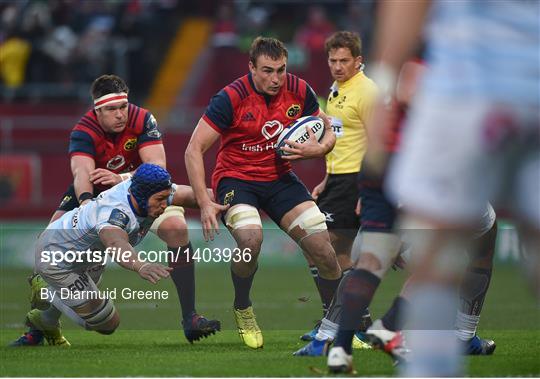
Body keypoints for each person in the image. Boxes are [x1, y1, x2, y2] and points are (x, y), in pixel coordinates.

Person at [335, 1, 539, 376]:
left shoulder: (415, 73)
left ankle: (388, 343)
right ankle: (408, 328)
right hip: (512, 83)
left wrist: (384, 79)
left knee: (439, 255)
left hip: (465, 89)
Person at [296, 59, 497, 362]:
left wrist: (369, 191)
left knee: (369, 262)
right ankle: (406, 329)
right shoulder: (445, 74)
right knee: (447, 257)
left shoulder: (385, 82)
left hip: (384, 176)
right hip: (423, 177)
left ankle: (331, 341)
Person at [13, 75, 219, 346]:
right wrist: (86, 203)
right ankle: (40, 328)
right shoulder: (83, 130)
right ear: (96, 110)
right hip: (99, 194)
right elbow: (82, 172)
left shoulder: (143, 119)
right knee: (54, 236)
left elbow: (158, 167)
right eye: (111, 109)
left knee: (175, 228)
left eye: (123, 107)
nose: (120, 114)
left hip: (145, 189)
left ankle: (190, 317)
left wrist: (220, 202)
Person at [185, 36, 342, 349]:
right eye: (268, 71)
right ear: (251, 68)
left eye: (281, 70)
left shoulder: (299, 89)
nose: (276, 78)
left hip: (280, 178)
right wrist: (204, 202)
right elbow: (193, 149)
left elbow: (328, 127)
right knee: (251, 241)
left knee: (324, 251)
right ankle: (243, 307)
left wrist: (319, 148)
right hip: (236, 180)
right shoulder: (230, 97)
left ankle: (333, 324)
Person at [10, 164, 223, 346]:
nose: (164, 205)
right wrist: (140, 265)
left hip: (88, 255)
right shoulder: (115, 212)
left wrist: (228, 203)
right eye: (159, 200)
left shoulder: (149, 191)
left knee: (92, 311)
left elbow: (194, 195)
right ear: (141, 196)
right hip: (57, 258)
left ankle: (44, 319)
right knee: (107, 324)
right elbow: (116, 243)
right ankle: (46, 291)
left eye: (166, 198)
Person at [301, 31, 378, 343]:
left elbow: (377, 142)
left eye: (344, 60)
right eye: (332, 60)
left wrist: (367, 187)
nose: (337, 66)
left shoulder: (367, 92)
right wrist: (325, 179)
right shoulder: (335, 91)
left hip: (356, 180)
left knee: (325, 247)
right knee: (325, 250)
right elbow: (342, 142)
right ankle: (352, 321)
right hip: (337, 179)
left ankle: (343, 322)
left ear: (358, 61)